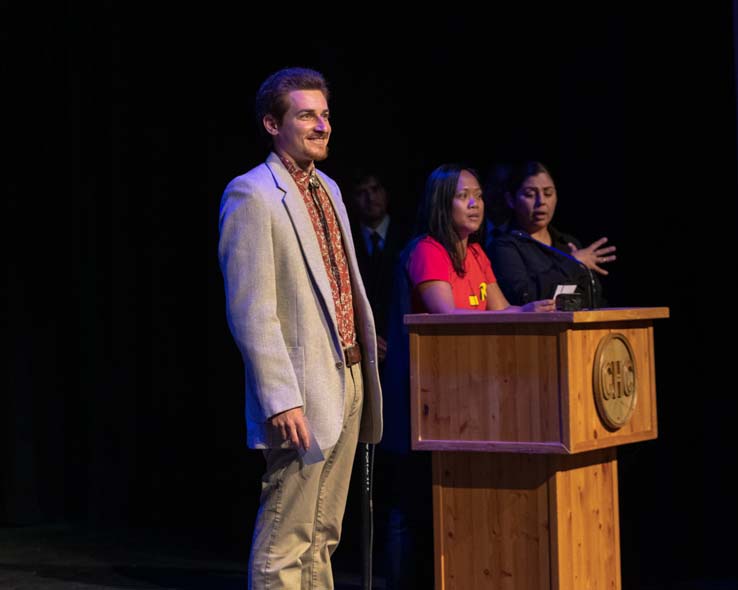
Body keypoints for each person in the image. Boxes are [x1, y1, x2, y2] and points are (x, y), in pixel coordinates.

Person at [217, 66, 382, 590]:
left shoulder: (330, 189)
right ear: (272, 123)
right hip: (301, 393)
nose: (321, 125)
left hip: (350, 380)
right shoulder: (253, 194)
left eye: (325, 115)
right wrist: (280, 398)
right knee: (286, 536)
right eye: (306, 115)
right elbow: (251, 310)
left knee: (323, 532)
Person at [408, 163, 556, 314]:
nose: (475, 204)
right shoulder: (429, 250)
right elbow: (447, 315)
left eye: (478, 196)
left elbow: (502, 309)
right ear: (441, 203)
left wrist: (530, 311)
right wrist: (521, 312)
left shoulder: (476, 253)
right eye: (463, 196)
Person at [484, 160, 616, 308]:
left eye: (548, 193)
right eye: (530, 194)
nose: (541, 201)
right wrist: (572, 264)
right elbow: (524, 297)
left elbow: (593, 301)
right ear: (511, 200)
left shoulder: (568, 244)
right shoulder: (504, 247)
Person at [347, 172, 409, 364]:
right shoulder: (346, 241)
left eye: (375, 189)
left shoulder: (408, 236)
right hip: (361, 346)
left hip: (402, 342)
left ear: (385, 193)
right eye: (361, 193)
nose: (370, 198)